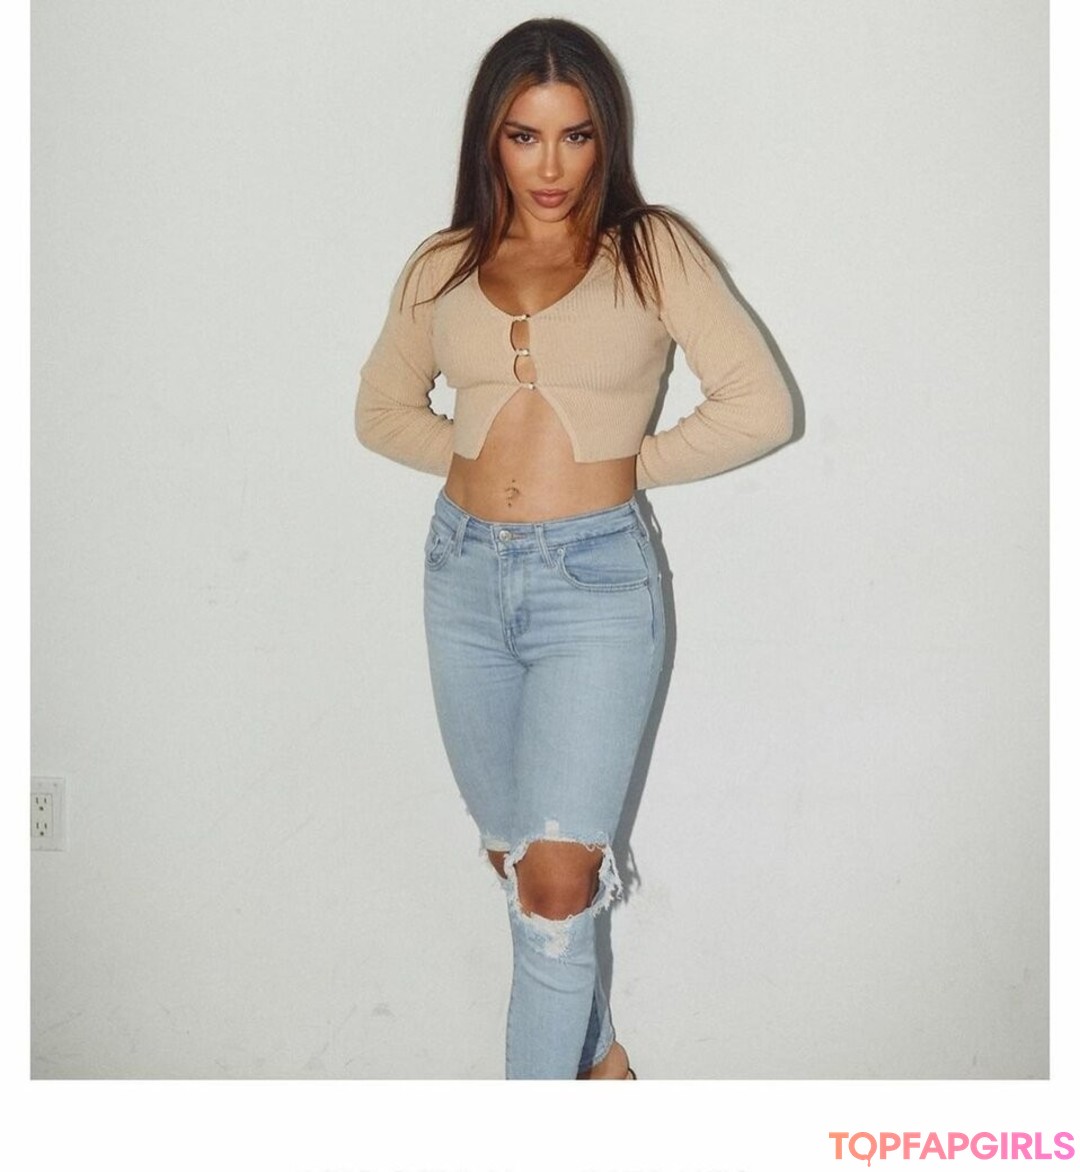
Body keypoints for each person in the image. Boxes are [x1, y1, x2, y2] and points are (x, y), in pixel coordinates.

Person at [356, 17, 793, 1080]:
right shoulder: (443, 265)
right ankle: (598, 1063)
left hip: (595, 586)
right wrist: (474, 463)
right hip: (462, 579)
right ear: (489, 140)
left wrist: (623, 467)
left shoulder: (651, 250)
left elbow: (761, 405)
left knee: (557, 887)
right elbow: (380, 410)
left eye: (575, 136)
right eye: (524, 136)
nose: (550, 166)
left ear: (607, 138)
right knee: (519, 861)